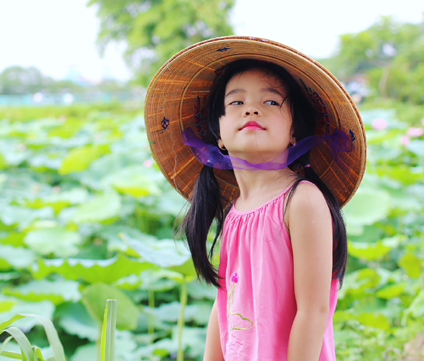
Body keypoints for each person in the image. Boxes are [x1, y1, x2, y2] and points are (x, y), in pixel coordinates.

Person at [145, 36, 367, 361]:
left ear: (295, 132)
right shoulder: (234, 212)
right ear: (218, 135)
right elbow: (226, 303)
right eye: (236, 103)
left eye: (271, 102)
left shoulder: (301, 200)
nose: (251, 109)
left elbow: (313, 310)